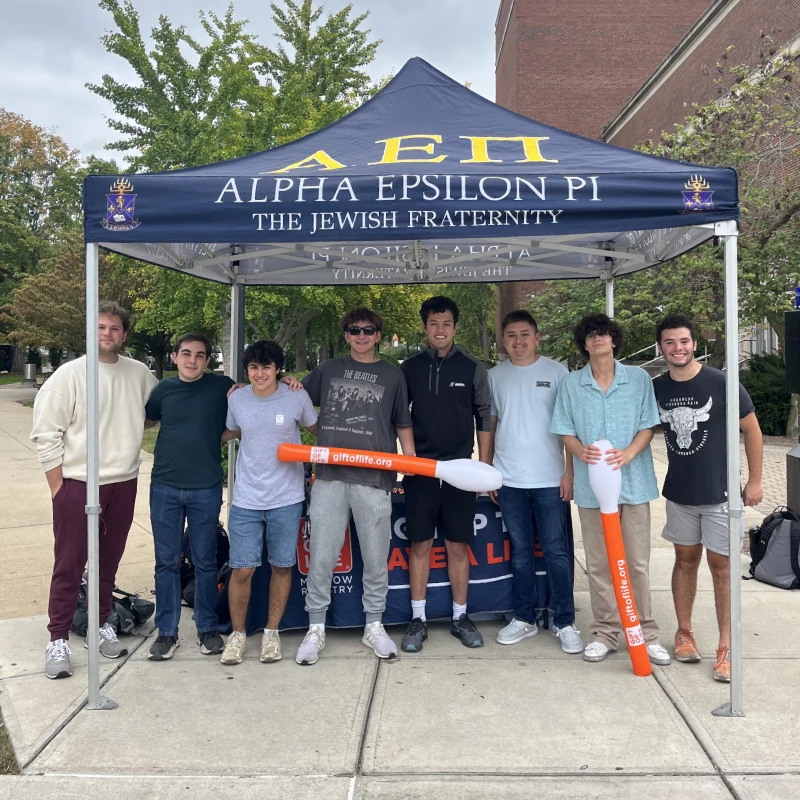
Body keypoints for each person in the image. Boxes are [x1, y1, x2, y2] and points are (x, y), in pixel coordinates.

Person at [31, 301, 158, 679]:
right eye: (101, 327)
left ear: (124, 334)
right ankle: (57, 638)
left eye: (115, 328)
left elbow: (156, 411)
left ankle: (101, 623)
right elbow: (45, 434)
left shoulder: (139, 374)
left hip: (123, 481)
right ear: (91, 330)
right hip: (77, 484)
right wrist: (58, 487)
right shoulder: (69, 376)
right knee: (69, 564)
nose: (107, 334)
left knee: (108, 561)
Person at [296, 308, 415, 665]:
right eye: (354, 330)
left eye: (368, 330)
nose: (361, 335)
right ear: (346, 335)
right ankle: (316, 627)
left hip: (375, 480)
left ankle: (373, 625)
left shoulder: (393, 376)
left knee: (377, 559)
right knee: (321, 556)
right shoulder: (328, 370)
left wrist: (408, 461)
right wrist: (275, 384)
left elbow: (402, 422)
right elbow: (297, 399)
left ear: (378, 335)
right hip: (330, 478)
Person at [550, 313, 670, 666]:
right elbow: (564, 428)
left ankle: (646, 633)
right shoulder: (572, 384)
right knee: (600, 563)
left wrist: (628, 453)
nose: (597, 340)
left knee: (636, 562)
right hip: (592, 490)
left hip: (633, 485)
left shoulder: (637, 380)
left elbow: (649, 425)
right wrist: (578, 451)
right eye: (590, 336)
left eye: (603, 335)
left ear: (614, 340)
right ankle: (605, 632)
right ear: (584, 344)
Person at [653, 313, 763, 682]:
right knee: (684, 562)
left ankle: (726, 646)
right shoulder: (656, 388)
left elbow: (752, 431)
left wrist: (756, 480)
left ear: (694, 344)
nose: (677, 348)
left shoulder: (722, 382)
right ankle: (684, 633)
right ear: (660, 348)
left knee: (722, 569)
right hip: (680, 493)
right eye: (669, 342)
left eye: (683, 341)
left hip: (722, 493)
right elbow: (639, 428)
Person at [400, 296, 492, 651]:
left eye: (447, 324)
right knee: (419, 545)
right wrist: (408, 460)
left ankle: (459, 617)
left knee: (457, 545)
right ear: (424, 327)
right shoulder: (408, 367)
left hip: (461, 472)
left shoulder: (472, 367)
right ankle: (418, 620)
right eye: (434, 324)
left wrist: (483, 467)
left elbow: (484, 416)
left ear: (455, 327)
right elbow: (400, 417)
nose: (440, 330)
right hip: (420, 471)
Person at [487, 310, 582, 654]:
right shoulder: (494, 376)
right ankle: (524, 618)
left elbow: (570, 426)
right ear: (503, 340)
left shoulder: (557, 372)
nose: (518, 341)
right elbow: (490, 426)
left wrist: (569, 473)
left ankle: (565, 621)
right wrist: (487, 472)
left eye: (525, 334)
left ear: (537, 337)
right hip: (509, 479)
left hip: (550, 479)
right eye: (511, 335)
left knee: (557, 552)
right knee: (521, 554)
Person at [220, 340, 318, 665]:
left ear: (278, 369)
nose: (260, 374)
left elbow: (318, 431)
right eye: (253, 367)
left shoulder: (295, 396)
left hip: (286, 498)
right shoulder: (238, 399)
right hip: (247, 498)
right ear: (247, 371)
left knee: (281, 565)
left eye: (266, 367)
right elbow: (229, 432)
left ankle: (271, 634)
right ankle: (237, 636)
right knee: (242, 569)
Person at [144, 333, 234, 661]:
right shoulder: (163, 390)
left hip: (205, 487)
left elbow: (254, 401)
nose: (192, 360)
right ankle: (167, 632)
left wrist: (217, 437)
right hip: (165, 486)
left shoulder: (221, 387)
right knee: (166, 562)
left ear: (208, 360)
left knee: (206, 561)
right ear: (175, 356)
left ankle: (207, 627)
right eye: (186, 353)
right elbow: (148, 419)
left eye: (199, 355)